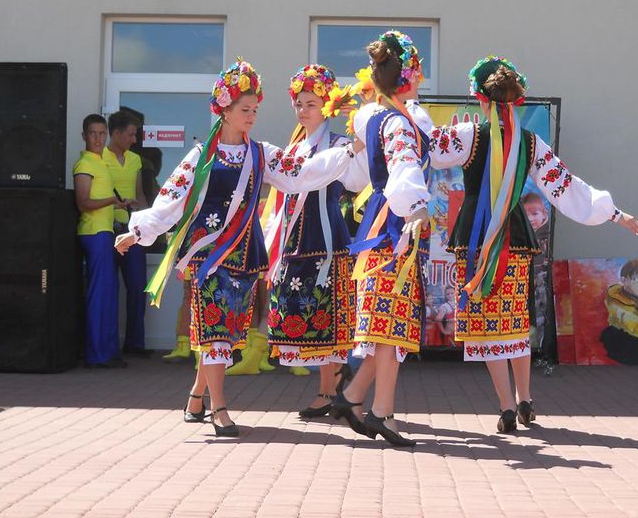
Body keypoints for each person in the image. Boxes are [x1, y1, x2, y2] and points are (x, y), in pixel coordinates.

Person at [115, 59, 360, 437]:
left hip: (245, 257)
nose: (251, 116)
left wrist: (347, 151)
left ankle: (197, 395)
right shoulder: (201, 157)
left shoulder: (261, 154)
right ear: (223, 110)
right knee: (213, 333)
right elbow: (171, 199)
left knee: (225, 336)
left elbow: (301, 175)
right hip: (209, 258)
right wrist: (138, 231)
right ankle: (220, 409)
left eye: (255, 110)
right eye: (244, 110)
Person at [428, 56, 638, 433]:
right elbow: (567, 187)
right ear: (516, 102)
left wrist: (396, 115)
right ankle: (526, 399)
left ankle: (506, 406)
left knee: (489, 324)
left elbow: (424, 148)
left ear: (480, 99)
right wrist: (614, 213)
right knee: (514, 321)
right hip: (514, 241)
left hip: (479, 241)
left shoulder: (467, 136)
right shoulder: (531, 143)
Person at [331, 31, 431, 447]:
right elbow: (406, 168)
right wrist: (419, 207)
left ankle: (355, 397)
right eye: (418, 70)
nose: (422, 77)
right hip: (393, 229)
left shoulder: (379, 118)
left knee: (386, 325)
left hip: (382, 224)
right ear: (408, 77)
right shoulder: (398, 123)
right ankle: (382, 413)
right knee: (389, 326)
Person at [263, 64, 368, 417]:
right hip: (296, 238)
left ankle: (330, 388)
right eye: (299, 104)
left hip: (326, 236)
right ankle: (333, 381)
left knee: (328, 311)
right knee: (306, 311)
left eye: (310, 103)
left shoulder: (340, 143)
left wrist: (358, 150)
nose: (303, 110)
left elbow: (356, 184)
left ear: (325, 105)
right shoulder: (293, 148)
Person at [73, 114, 131, 369]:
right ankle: (96, 355)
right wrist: (111, 201)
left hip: (105, 232)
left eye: (101, 133)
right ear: (84, 136)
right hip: (94, 233)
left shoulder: (99, 162)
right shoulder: (84, 164)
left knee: (108, 294)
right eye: (93, 134)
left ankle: (108, 352)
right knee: (99, 295)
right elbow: (83, 203)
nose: (98, 138)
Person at [103, 110, 150, 357]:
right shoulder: (99, 157)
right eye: (131, 134)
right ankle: (108, 346)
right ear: (116, 133)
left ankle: (135, 344)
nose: (134, 139)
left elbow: (140, 194)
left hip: (132, 232)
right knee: (108, 290)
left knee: (137, 287)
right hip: (107, 230)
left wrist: (147, 219)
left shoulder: (135, 160)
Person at [600, 258, 638, 365]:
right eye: (635, 279)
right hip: (624, 333)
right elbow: (624, 317)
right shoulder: (616, 298)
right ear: (624, 281)